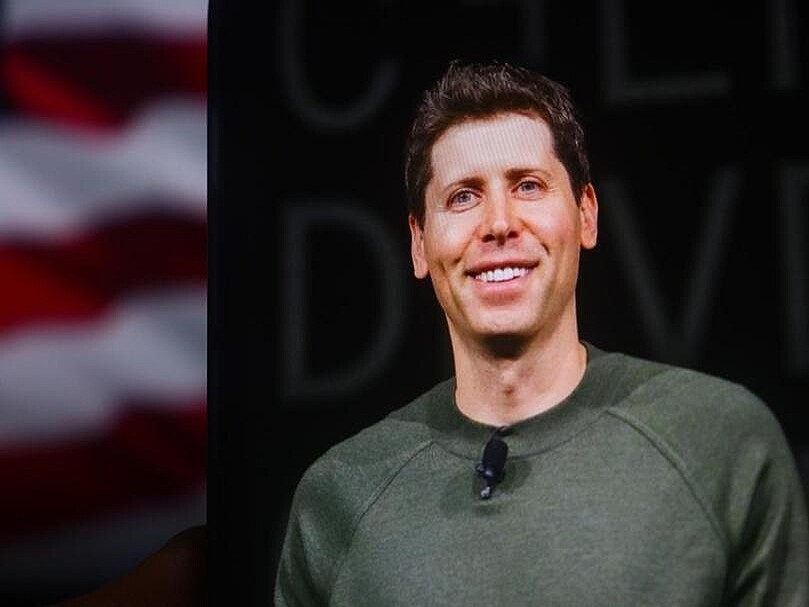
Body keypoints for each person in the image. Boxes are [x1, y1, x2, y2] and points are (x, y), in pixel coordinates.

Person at [274, 60, 809, 606]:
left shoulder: (718, 442)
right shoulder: (340, 497)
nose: (499, 223)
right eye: (463, 196)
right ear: (418, 243)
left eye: (528, 186)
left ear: (586, 215)